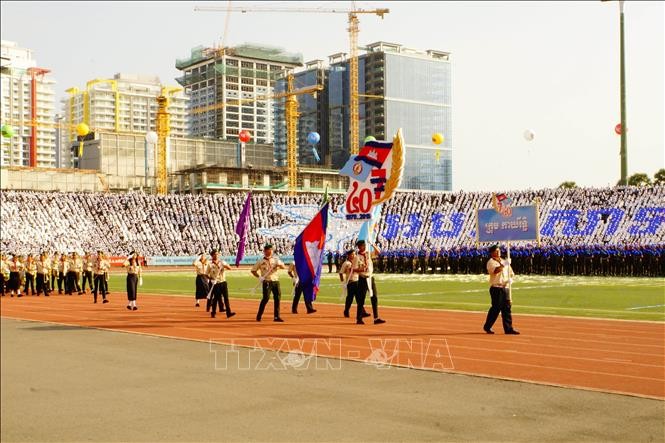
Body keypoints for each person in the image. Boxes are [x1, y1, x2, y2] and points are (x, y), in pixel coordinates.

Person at [483, 245, 520, 335]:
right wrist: (505, 265)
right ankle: (487, 326)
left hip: (505, 287)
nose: (498, 252)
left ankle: (508, 328)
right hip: (496, 288)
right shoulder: (491, 262)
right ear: (492, 253)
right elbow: (495, 271)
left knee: (507, 309)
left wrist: (510, 279)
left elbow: (511, 273)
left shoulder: (504, 261)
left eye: (499, 250)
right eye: (496, 251)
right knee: (496, 308)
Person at [251, 244, 286, 322]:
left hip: (275, 281)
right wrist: (259, 277)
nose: (269, 252)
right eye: (268, 251)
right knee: (266, 298)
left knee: (277, 299)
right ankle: (259, 315)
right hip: (266, 281)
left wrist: (279, 264)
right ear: (264, 251)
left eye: (271, 250)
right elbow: (253, 271)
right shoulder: (260, 261)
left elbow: (284, 267)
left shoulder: (276, 259)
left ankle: (276, 316)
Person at [356, 240, 386, 324]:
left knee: (374, 297)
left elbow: (378, 252)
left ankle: (376, 318)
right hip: (362, 278)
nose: (364, 246)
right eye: (362, 245)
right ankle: (359, 318)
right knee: (361, 299)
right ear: (358, 247)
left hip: (370, 278)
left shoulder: (368, 254)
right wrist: (361, 269)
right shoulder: (357, 257)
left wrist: (372, 244)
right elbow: (353, 269)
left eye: (364, 245)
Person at [207, 250, 236, 319]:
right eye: (215, 254)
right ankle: (213, 313)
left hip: (223, 282)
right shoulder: (210, 264)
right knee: (216, 299)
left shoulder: (222, 262)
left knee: (226, 298)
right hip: (216, 283)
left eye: (217, 254)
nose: (216, 255)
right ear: (212, 256)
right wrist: (211, 279)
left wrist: (225, 266)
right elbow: (206, 274)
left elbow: (230, 268)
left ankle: (228, 313)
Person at [339, 249, 364, 323]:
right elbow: (341, 273)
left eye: (354, 254)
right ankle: (346, 310)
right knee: (350, 298)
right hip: (351, 282)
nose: (353, 256)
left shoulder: (357, 262)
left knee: (359, 298)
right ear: (349, 255)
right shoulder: (346, 263)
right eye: (352, 254)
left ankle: (362, 311)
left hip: (357, 281)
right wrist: (343, 282)